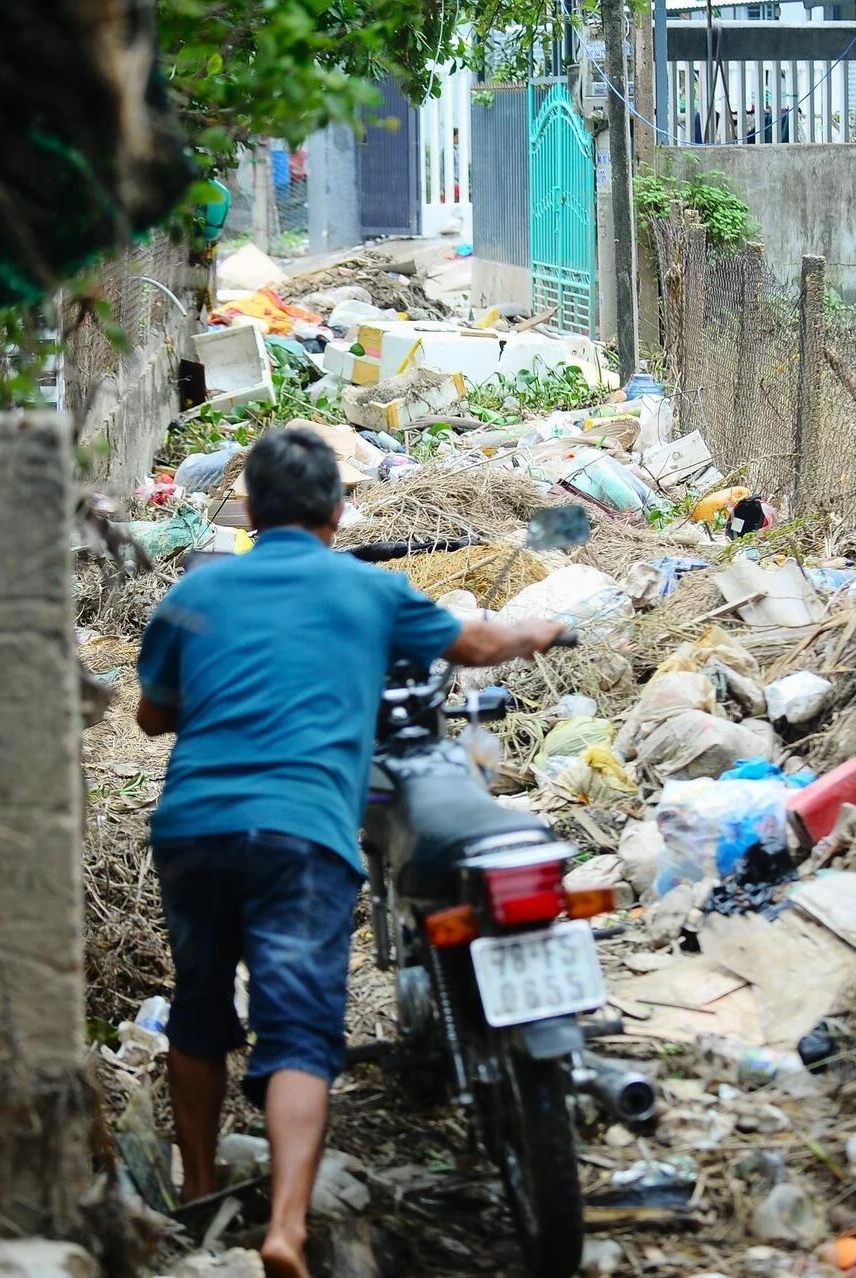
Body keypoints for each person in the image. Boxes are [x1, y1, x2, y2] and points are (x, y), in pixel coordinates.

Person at [134, 429, 564, 1277]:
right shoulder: (369, 590)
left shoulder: (196, 589)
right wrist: (536, 632)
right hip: (300, 830)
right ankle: (286, 1228)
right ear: (339, 509)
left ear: (249, 510)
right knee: (298, 1028)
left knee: (199, 1007)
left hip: (193, 827)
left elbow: (152, 716)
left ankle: (196, 1187)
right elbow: (473, 645)